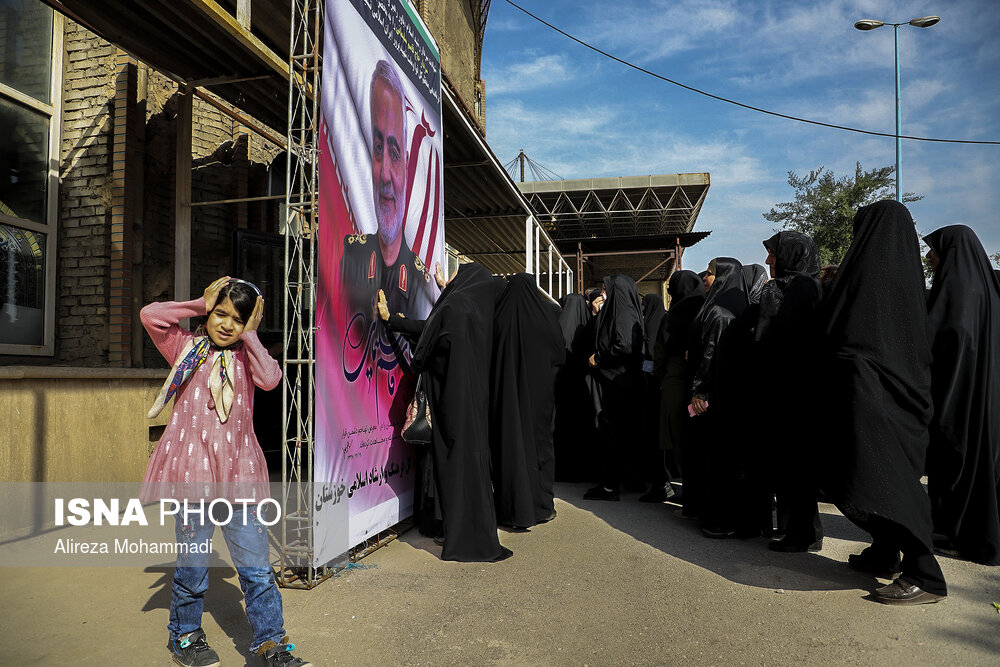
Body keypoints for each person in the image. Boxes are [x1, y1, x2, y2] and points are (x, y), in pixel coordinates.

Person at [141, 277, 311, 667]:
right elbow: (151, 315)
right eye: (220, 314)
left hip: (240, 480)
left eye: (238, 319)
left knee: (257, 570)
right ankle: (185, 637)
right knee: (193, 568)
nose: (226, 324)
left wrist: (251, 337)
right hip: (193, 481)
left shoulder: (246, 358)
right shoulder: (184, 348)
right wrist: (200, 303)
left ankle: (271, 644)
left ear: (248, 323)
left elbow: (271, 378)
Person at [819, 200, 946, 605]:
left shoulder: (869, 275)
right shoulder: (908, 278)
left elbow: (846, 333)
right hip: (902, 399)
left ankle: (926, 575)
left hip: (876, 400)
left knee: (887, 483)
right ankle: (884, 550)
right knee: (879, 480)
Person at [380, 263, 512, 561]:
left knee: (453, 468)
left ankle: (461, 540)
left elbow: (427, 344)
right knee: (474, 468)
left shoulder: (454, 306)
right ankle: (477, 537)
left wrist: (393, 321)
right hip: (475, 403)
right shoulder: (479, 310)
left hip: (451, 402)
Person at [923, 225, 1000, 565]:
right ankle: (964, 532)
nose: (929, 257)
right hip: (985, 397)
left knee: (959, 465)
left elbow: (939, 342)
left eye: (934, 251)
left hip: (959, 398)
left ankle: (962, 536)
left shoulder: (956, 291)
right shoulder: (984, 289)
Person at [340, 60, 435, 324]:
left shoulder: (420, 282)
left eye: (393, 153)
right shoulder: (351, 256)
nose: (384, 174)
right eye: (378, 149)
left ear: (406, 163)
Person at [756, 231, 824, 552]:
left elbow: (766, 344)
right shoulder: (812, 289)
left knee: (792, 465)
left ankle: (799, 533)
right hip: (806, 392)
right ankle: (806, 531)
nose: (769, 261)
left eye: (774, 254)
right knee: (800, 465)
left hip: (786, 393)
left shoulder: (781, 291)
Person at [489, 273, 565, 527]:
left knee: (508, 447)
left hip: (506, 398)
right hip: (540, 400)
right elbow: (559, 355)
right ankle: (542, 506)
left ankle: (510, 511)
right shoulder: (546, 317)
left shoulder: (499, 316)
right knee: (541, 448)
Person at [688, 257, 749, 536]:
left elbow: (710, 354)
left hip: (715, 398)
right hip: (732, 396)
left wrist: (699, 390)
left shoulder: (719, 313)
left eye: (710, 274)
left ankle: (722, 520)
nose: (705, 278)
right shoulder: (738, 308)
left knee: (718, 460)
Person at [584, 275, 645, 501]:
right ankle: (630, 479)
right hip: (622, 381)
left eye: (605, 289)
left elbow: (624, 344)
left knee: (612, 432)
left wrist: (599, 357)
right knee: (626, 433)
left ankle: (610, 487)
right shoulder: (625, 311)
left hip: (615, 382)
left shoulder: (622, 313)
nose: (602, 293)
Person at [652, 270, 706, 504]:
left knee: (677, 434)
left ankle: (688, 493)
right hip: (700, 382)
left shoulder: (672, 316)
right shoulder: (705, 310)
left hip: (675, 380)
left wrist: (659, 376)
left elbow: (660, 352)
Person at [553, 293, 596, 482]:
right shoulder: (589, 327)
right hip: (584, 385)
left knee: (564, 427)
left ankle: (564, 469)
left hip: (562, 385)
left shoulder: (559, 328)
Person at [638, 293, 671, 502]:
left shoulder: (650, 326)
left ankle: (661, 483)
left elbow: (651, 353)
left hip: (653, 386)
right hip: (662, 385)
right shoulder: (665, 318)